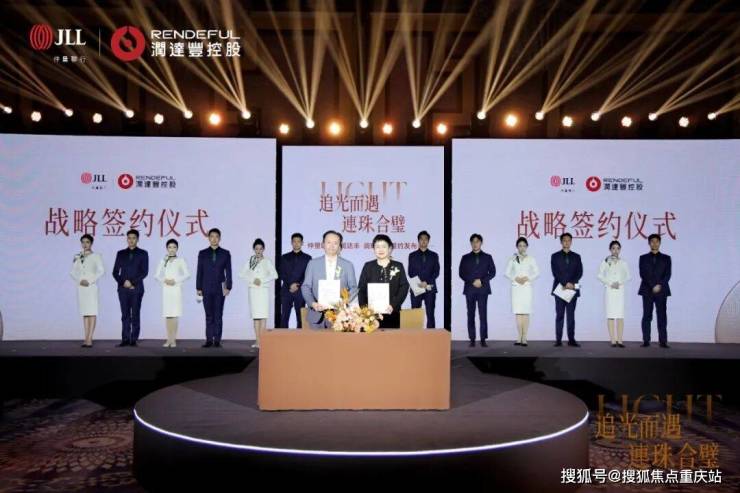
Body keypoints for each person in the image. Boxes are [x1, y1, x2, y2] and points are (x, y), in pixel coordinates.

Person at [301, 230, 358, 329]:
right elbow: (306, 286)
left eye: (335, 243)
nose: (332, 246)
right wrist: (313, 303)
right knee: (315, 339)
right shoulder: (313, 263)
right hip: (316, 315)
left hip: (340, 316)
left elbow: (353, 288)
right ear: (323, 244)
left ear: (339, 245)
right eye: (328, 242)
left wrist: (345, 300)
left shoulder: (347, 265)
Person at [358, 234, 410, 329]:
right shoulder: (368, 266)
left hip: (392, 312)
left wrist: (393, 305)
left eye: (384, 246)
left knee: (392, 338)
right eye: (377, 247)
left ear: (390, 248)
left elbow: (404, 287)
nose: (380, 249)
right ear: (373, 249)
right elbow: (361, 289)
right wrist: (364, 310)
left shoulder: (398, 266)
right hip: (371, 315)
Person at [196, 228, 232, 348]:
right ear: (208, 238)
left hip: (220, 288)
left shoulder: (225, 253)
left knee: (218, 314)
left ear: (220, 238)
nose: (214, 239)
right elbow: (199, 271)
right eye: (212, 236)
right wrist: (198, 287)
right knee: (208, 314)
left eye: (216, 236)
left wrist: (228, 286)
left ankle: (217, 340)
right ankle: (208, 340)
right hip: (206, 287)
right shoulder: (202, 253)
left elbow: (229, 271)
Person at [112, 229, 149, 347]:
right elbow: (115, 272)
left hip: (137, 289)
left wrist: (132, 282)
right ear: (127, 239)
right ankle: (125, 339)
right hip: (123, 289)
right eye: (129, 238)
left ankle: (133, 339)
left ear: (137, 239)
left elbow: (144, 272)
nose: (131, 240)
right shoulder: (120, 253)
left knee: (135, 314)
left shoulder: (143, 253)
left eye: (134, 238)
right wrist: (123, 282)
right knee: (125, 315)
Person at [239, 238, 278, 349]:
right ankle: (257, 341)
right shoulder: (250, 261)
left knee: (263, 316)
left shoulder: (267, 261)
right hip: (253, 291)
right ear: (254, 249)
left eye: (260, 249)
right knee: (256, 317)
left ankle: (263, 341)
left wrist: (262, 280)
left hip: (263, 291)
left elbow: (275, 275)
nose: (258, 251)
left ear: (263, 249)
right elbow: (241, 274)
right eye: (256, 249)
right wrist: (252, 280)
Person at [459, 234, 496, 347]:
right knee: (470, 314)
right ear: (471, 243)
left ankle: (483, 339)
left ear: (481, 243)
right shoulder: (465, 257)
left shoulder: (487, 257)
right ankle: (472, 339)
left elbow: (493, 272)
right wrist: (472, 281)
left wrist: (482, 281)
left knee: (483, 314)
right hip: (470, 289)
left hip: (483, 290)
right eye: (473, 242)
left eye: (477, 241)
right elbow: (461, 273)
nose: (475, 244)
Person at [70, 234, 104, 348]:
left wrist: (89, 281)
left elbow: (101, 271)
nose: (85, 244)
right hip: (81, 287)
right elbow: (72, 272)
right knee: (85, 313)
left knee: (92, 312)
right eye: (83, 242)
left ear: (91, 243)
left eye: (87, 242)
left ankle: (90, 338)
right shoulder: (78, 256)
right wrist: (80, 280)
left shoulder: (96, 256)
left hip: (91, 287)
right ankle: (85, 338)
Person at [154, 239, 190, 348]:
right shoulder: (163, 260)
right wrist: (164, 280)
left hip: (176, 289)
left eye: (174, 247)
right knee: (168, 314)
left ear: (177, 248)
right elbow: (156, 275)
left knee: (174, 314)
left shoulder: (180, 260)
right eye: (170, 247)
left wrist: (175, 280)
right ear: (167, 248)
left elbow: (187, 274)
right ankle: (168, 339)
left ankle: (173, 339)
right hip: (166, 290)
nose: (172, 249)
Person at [504, 237, 539, 346]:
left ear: (527, 247)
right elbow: (507, 273)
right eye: (520, 246)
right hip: (516, 288)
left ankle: (524, 337)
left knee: (526, 312)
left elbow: (537, 272)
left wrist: (528, 278)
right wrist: (515, 278)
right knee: (518, 312)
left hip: (526, 287)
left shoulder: (531, 259)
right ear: (517, 247)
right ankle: (519, 336)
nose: (522, 248)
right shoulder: (513, 259)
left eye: (524, 245)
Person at [639, 234, 672, 348]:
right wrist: (653, 285)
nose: (654, 243)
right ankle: (646, 340)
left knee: (662, 315)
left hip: (661, 290)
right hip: (647, 289)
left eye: (657, 241)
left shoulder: (666, 258)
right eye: (652, 241)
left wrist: (659, 285)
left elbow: (668, 274)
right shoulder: (643, 258)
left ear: (660, 243)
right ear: (649, 243)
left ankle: (663, 341)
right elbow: (643, 274)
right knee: (647, 315)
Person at [551, 232, 583, 347]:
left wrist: (571, 283)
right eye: (564, 240)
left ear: (571, 242)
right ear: (561, 242)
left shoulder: (577, 256)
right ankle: (558, 340)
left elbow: (580, 272)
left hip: (572, 289)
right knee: (559, 315)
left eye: (569, 240)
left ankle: (571, 340)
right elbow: (555, 272)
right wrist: (565, 283)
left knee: (571, 316)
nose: (567, 242)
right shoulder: (555, 256)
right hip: (560, 289)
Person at [597, 240, 631, 348]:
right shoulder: (606, 261)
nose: (615, 250)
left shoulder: (623, 262)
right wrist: (610, 283)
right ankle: (613, 340)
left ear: (620, 250)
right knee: (610, 315)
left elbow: (628, 276)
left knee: (620, 315)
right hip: (610, 290)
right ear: (610, 249)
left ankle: (620, 340)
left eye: (617, 248)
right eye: (613, 248)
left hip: (620, 290)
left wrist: (619, 283)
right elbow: (599, 275)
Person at [408, 230, 440, 328]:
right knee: (415, 314)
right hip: (416, 286)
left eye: (426, 239)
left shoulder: (434, 255)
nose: (423, 241)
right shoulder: (412, 255)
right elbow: (410, 272)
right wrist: (420, 282)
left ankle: (431, 335)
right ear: (418, 241)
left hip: (429, 287)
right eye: (421, 239)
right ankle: (415, 335)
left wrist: (427, 282)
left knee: (430, 314)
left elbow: (436, 271)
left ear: (428, 241)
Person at [279, 233, 311, 328]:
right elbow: (281, 273)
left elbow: (308, 275)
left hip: (300, 291)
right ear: (291, 243)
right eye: (294, 241)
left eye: (298, 241)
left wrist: (297, 285)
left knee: (300, 318)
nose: (296, 243)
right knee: (284, 317)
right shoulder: (284, 257)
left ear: (302, 243)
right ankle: (283, 336)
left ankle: (300, 337)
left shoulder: (307, 258)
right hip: (286, 290)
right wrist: (290, 285)